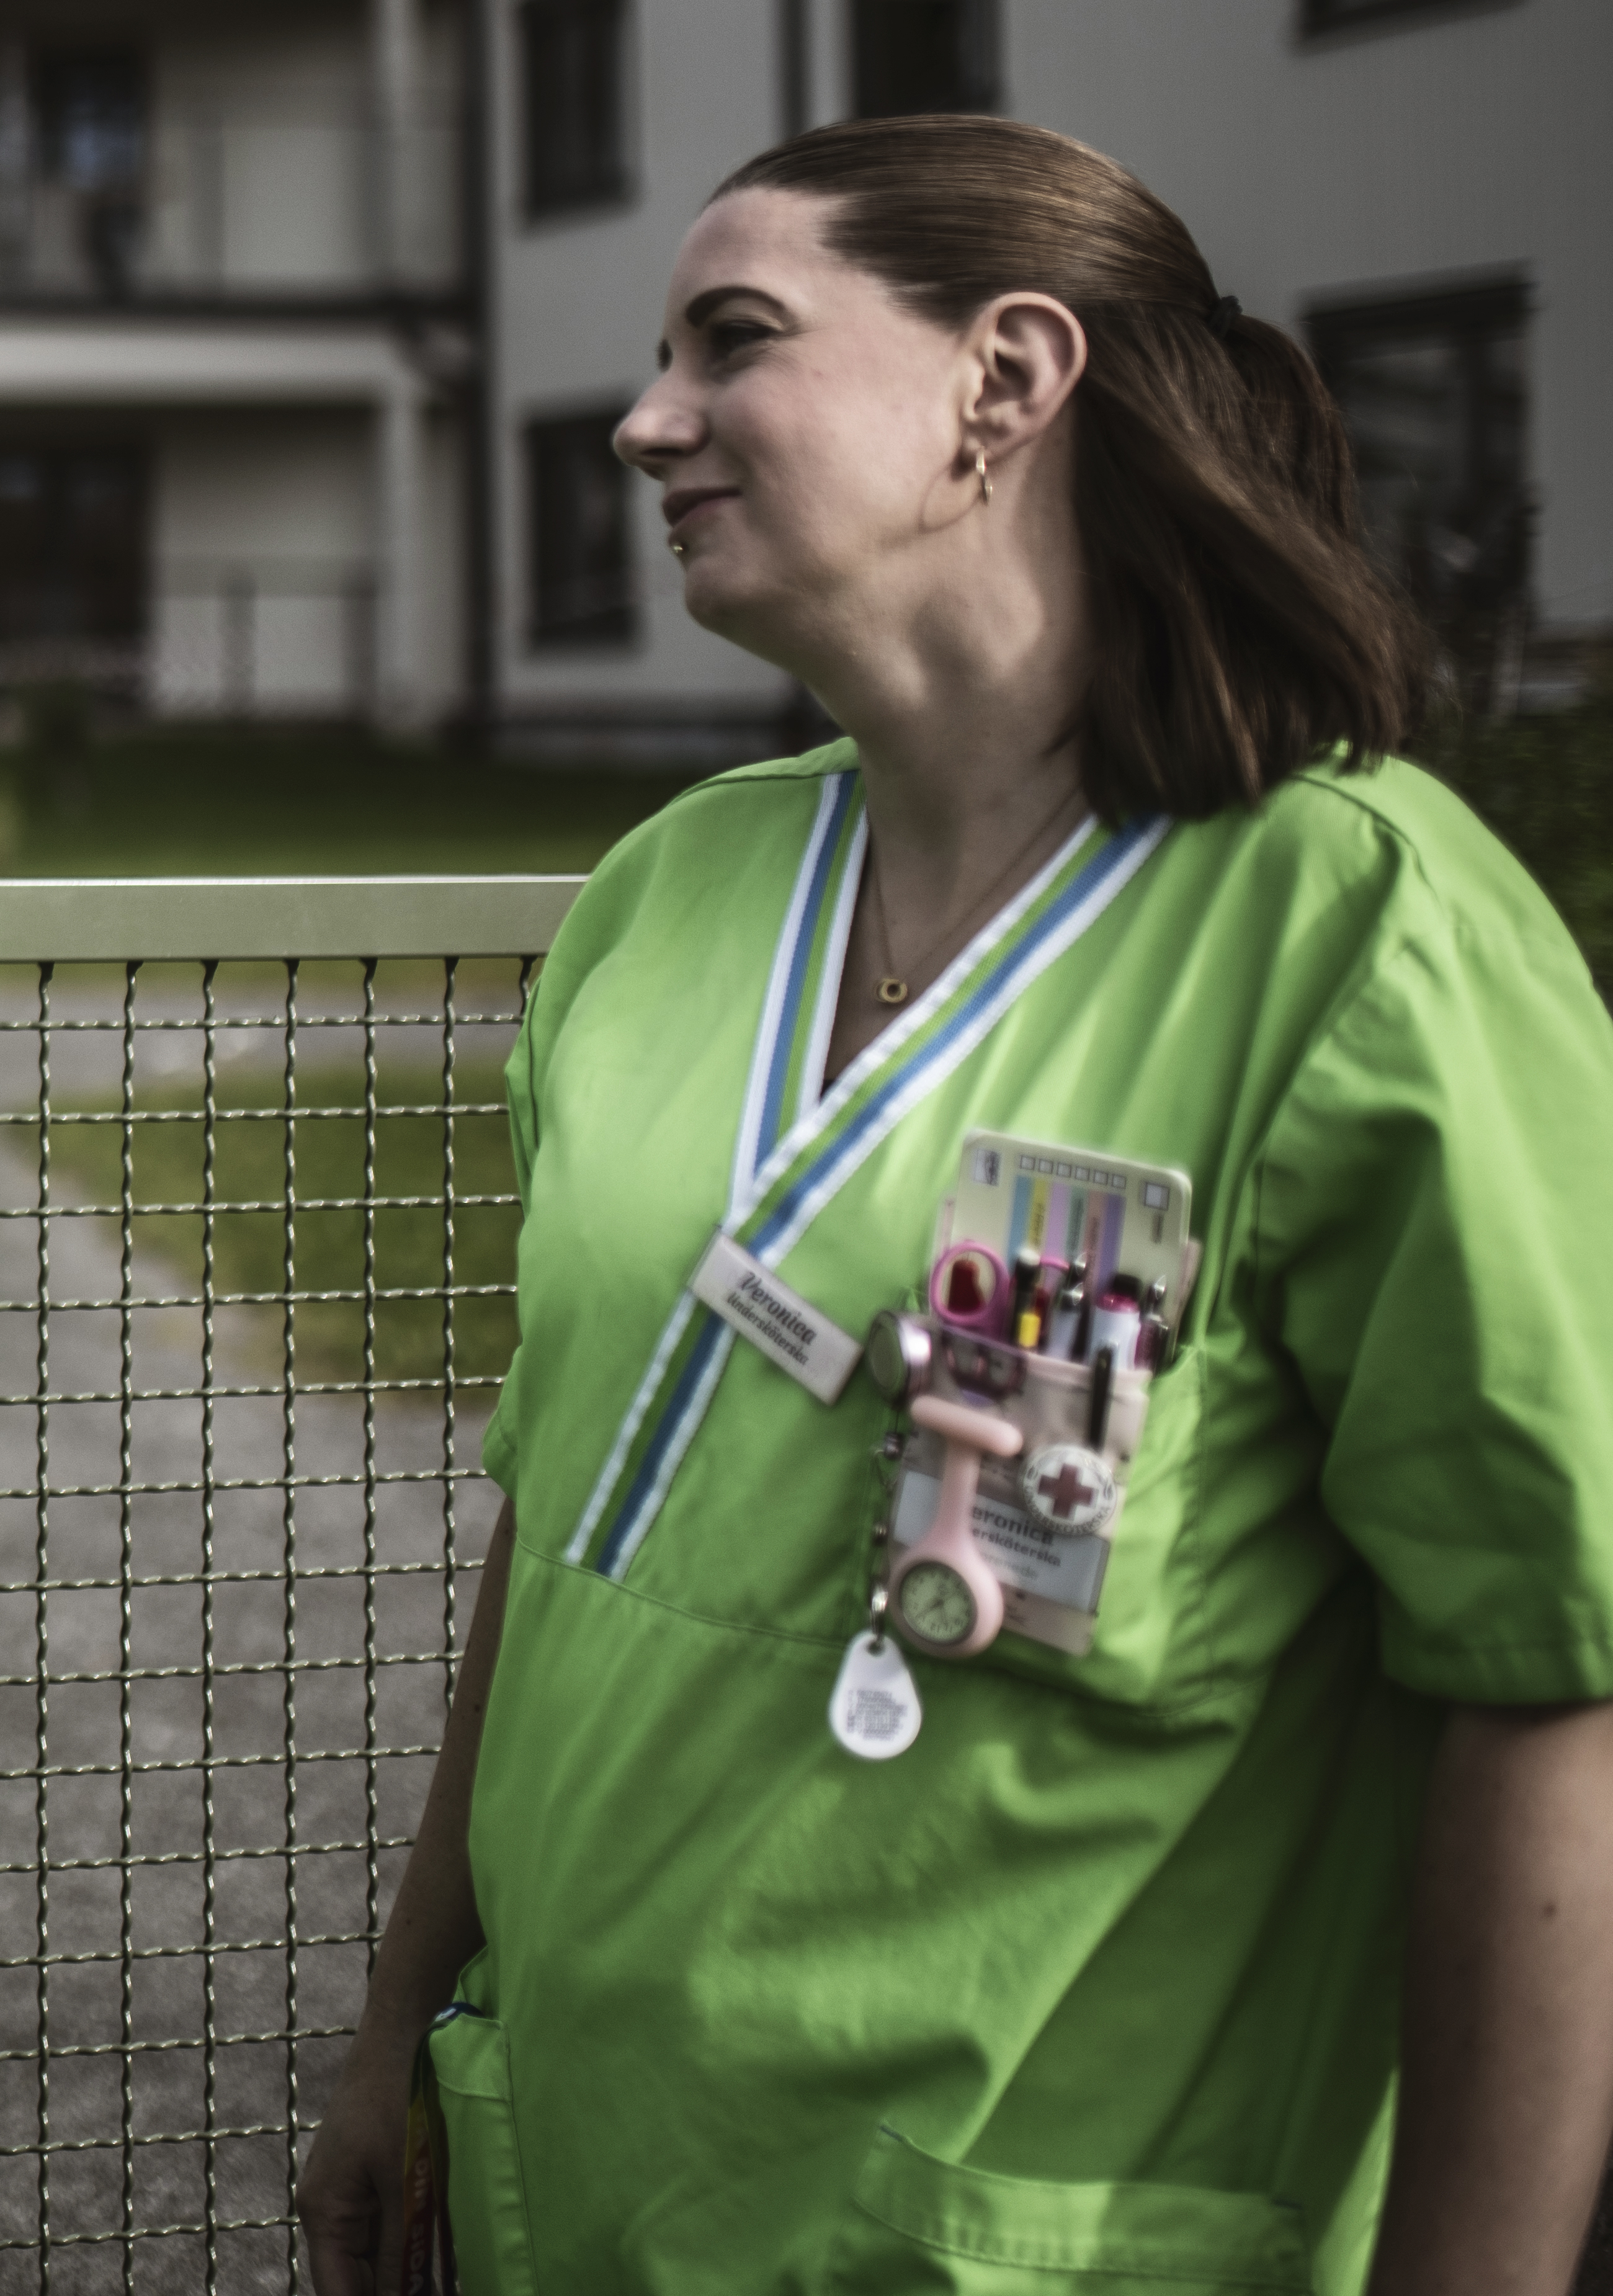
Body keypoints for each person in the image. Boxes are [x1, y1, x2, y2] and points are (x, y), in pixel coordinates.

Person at [297, 115, 1613, 2296]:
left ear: (1006, 384)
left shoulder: (1356, 932)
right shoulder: (671, 898)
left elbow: (1548, 1670)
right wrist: (399, 2028)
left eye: (735, 343)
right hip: (589, 2191)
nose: (646, 425)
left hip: (1030, 2230)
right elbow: (561, 1532)